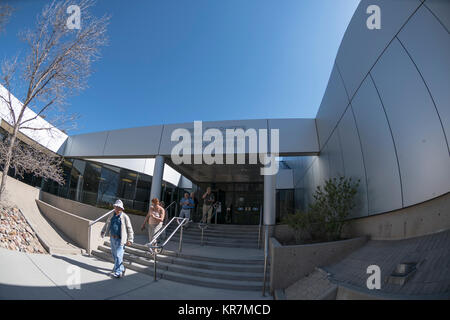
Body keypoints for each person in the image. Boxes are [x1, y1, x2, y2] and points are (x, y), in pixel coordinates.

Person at [100, 199, 134, 278]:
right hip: (112, 238)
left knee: (118, 256)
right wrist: (103, 231)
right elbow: (107, 223)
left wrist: (130, 239)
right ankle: (121, 268)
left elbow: (129, 229)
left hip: (120, 240)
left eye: (119, 207)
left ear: (121, 209)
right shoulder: (111, 215)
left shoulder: (125, 217)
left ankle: (118, 272)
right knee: (115, 255)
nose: (117, 208)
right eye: (116, 207)